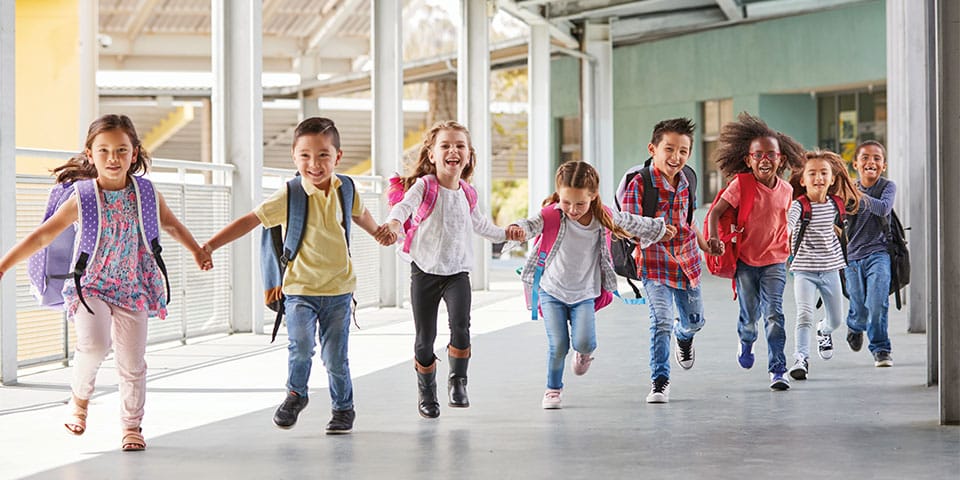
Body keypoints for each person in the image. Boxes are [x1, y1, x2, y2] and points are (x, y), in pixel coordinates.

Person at [0, 114, 212, 451]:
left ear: (134, 153)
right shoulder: (82, 197)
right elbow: (42, 236)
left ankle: (132, 426)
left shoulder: (145, 192)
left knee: (132, 362)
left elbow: (170, 224)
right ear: (90, 154)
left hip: (133, 287)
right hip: (90, 287)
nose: (113, 158)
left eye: (121, 150)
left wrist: (197, 251)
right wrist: (3, 265)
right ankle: (80, 399)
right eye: (104, 151)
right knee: (95, 346)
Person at [202, 117, 383, 434]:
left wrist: (381, 232)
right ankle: (296, 394)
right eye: (306, 156)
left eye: (324, 155)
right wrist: (210, 246)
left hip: (340, 290)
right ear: (294, 156)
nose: (314, 164)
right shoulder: (290, 194)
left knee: (336, 358)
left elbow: (361, 215)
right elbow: (250, 220)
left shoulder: (348, 188)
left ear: (337, 157)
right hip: (300, 290)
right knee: (300, 347)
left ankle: (343, 408)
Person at [512, 161, 674, 409]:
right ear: (559, 193)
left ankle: (584, 352)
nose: (573, 210)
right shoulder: (551, 215)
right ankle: (553, 389)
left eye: (580, 203)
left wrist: (660, 229)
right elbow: (530, 224)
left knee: (585, 341)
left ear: (593, 196)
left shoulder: (602, 217)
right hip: (551, 289)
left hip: (584, 293)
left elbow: (631, 222)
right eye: (566, 202)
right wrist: (517, 230)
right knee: (558, 345)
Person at [377, 120, 508, 419]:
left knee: (461, 328)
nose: (453, 151)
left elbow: (483, 226)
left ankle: (458, 381)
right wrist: (394, 223)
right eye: (445, 145)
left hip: (456, 273)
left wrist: (508, 234)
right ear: (432, 155)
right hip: (424, 271)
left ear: (469, 155)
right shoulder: (425, 186)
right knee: (425, 340)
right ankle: (427, 392)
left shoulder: (468, 193)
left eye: (460, 146)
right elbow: (404, 207)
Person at [705, 112, 804, 390]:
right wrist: (714, 239)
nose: (764, 160)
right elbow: (715, 214)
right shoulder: (741, 184)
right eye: (758, 154)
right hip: (746, 261)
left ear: (780, 159)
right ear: (748, 160)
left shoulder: (786, 190)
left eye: (771, 154)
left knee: (774, 314)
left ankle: (778, 369)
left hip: (776, 261)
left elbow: (787, 222)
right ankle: (746, 340)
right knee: (750, 317)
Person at [620, 118, 711, 404]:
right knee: (660, 321)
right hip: (654, 263)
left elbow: (688, 220)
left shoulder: (688, 180)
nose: (676, 157)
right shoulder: (640, 183)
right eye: (669, 149)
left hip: (687, 261)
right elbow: (626, 224)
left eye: (683, 151)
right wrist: (656, 231)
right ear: (653, 149)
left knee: (695, 322)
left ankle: (684, 337)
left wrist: (707, 245)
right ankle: (660, 381)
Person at [786, 149, 861, 380]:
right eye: (812, 173)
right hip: (804, 270)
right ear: (803, 179)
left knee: (837, 319)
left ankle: (823, 330)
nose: (818, 178)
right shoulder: (799, 205)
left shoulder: (836, 204)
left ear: (832, 178)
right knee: (804, 314)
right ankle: (800, 358)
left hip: (830, 269)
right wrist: (784, 234)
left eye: (823, 173)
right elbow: (789, 222)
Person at [843, 141, 896, 367]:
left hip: (879, 253)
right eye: (865, 157)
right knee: (858, 303)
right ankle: (855, 325)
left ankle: (881, 348)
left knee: (877, 302)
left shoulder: (887, 187)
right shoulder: (847, 189)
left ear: (883, 165)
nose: (870, 162)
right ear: (856, 163)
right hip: (852, 256)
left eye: (876, 158)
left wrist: (858, 196)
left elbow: (883, 208)